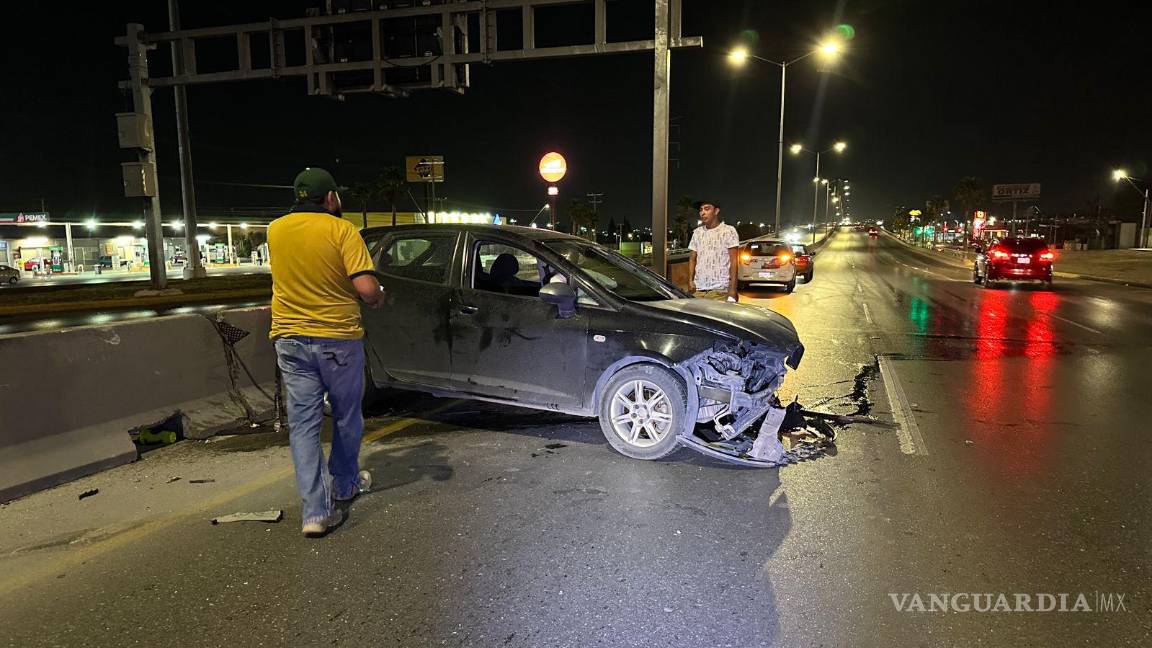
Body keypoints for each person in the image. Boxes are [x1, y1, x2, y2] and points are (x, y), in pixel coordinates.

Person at [268, 167, 386, 538]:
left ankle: (315, 513)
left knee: (303, 425)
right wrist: (379, 296)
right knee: (347, 414)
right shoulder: (342, 231)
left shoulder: (275, 230)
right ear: (331, 198)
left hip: (289, 337)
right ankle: (346, 484)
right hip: (337, 339)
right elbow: (366, 288)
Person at [687, 200, 740, 302]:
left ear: (716, 211)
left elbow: (734, 261)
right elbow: (692, 259)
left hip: (720, 291)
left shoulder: (728, 231)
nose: (703, 212)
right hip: (698, 290)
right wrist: (690, 281)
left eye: (707, 209)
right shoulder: (697, 233)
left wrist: (733, 289)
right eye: (701, 210)